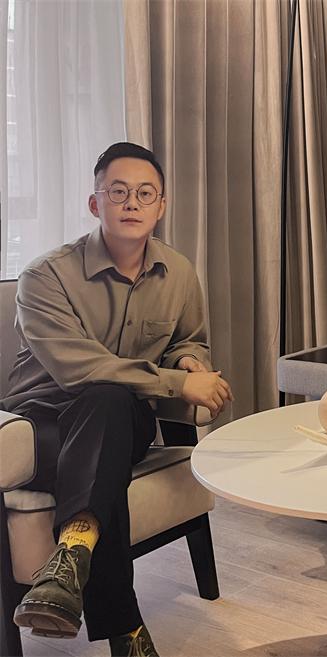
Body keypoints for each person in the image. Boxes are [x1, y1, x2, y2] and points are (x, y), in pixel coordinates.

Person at [1, 142, 233, 656]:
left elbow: (188, 340)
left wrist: (189, 363)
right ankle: (122, 626)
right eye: (118, 191)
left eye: (145, 193)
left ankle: (67, 570)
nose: (132, 203)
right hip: (42, 427)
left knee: (109, 405)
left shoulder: (178, 273)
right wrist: (176, 385)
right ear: (95, 202)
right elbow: (79, 368)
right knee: (102, 425)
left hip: (123, 418)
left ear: (161, 205)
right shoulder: (45, 276)